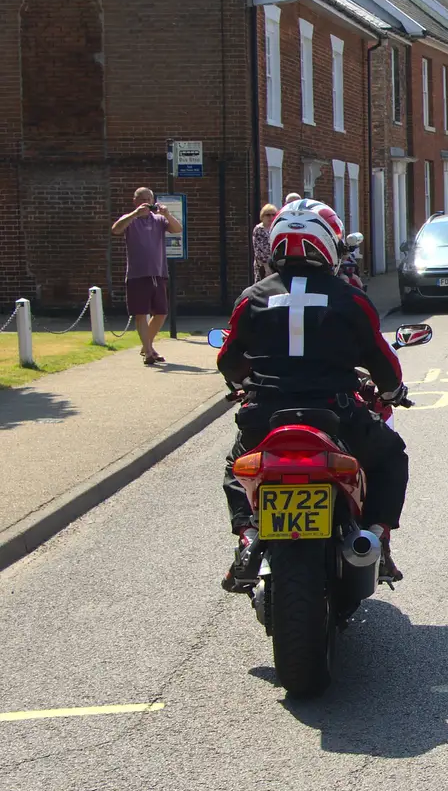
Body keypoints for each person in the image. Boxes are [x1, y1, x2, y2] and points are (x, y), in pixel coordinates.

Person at [216, 199, 410, 589]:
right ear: (327, 244)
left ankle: (248, 537)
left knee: (236, 468)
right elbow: (381, 358)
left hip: (265, 416)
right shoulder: (350, 298)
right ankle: (376, 536)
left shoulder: (251, 297)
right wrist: (391, 391)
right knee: (390, 457)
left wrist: (244, 381)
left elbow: (228, 359)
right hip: (336, 415)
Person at [111, 187, 183, 366]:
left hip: (158, 272)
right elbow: (116, 229)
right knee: (140, 313)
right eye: (143, 199)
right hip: (137, 274)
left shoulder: (158, 220)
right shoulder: (131, 220)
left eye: (150, 199)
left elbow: (177, 229)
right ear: (135, 201)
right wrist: (135, 214)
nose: (147, 202)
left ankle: (147, 345)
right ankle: (149, 352)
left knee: (161, 313)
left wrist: (167, 214)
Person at [251, 203, 278, 282]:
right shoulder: (259, 229)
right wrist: (267, 267)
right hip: (263, 266)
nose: (271, 217)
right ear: (262, 216)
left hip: (276, 265)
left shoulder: (276, 228)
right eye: (268, 215)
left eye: (273, 215)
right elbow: (258, 250)